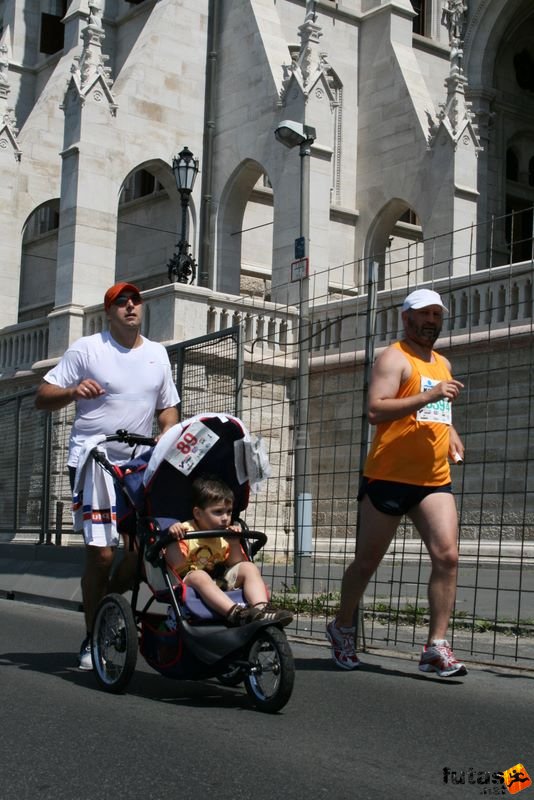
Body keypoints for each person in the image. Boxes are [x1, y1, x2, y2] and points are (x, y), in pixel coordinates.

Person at [35, 282, 180, 669]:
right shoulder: (87, 349)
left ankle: (108, 616)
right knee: (101, 555)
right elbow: (41, 396)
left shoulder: (157, 355)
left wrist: (167, 432)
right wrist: (72, 391)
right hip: (93, 460)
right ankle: (92, 636)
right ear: (109, 311)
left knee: (136, 557)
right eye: (121, 302)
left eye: (135, 300)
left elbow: (169, 410)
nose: (131, 306)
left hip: (138, 465)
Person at [326, 288, 467, 677]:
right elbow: (376, 410)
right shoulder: (394, 357)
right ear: (406, 319)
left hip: (433, 479)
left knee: (448, 556)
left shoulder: (442, 362)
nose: (432, 322)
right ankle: (341, 626)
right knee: (367, 563)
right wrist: (432, 394)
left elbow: (436, 408)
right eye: (425, 315)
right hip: (388, 477)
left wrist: (451, 431)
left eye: (437, 315)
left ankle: (436, 646)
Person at [164, 476, 293, 627]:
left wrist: (234, 544)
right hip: (189, 581)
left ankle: (261, 610)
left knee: (248, 567)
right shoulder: (186, 531)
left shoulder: (225, 533)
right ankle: (235, 613)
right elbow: (177, 566)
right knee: (200, 575)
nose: (225, 518)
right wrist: (172, 539)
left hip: (220, 579)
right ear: (198, 514)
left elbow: (235, 564)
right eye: (218, 512)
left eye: (229, 512)